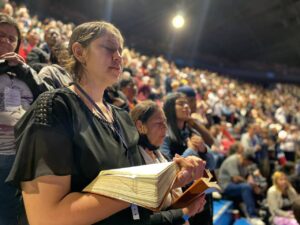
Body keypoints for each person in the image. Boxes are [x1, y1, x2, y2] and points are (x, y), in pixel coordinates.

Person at [7, 21, 206, 225]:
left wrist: (172, 174)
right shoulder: (56, 107)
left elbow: (136, 184)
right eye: (109, 48)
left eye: (121, 50)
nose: (118, 56)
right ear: (80, 52)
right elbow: (46, 218)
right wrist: (149, 185)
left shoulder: (122, 118)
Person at [131, 100, 207, 224]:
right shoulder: (132, 163)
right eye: (159, 123)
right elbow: (141, 221)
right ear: (140, 126)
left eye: (165, 122)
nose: (165, 128)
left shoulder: (161, 156)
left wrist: (193, 203)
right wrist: (186, 211)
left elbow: (172, 203)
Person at [0, 13, 40, 225]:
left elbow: (46, 97)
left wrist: (25, 71)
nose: (6, 41)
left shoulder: (25, 71)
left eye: (12, 38)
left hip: (23, 157)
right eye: (1, 35)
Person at [161, 92, 215, 225]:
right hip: (182, 195)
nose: (186, 106)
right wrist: (191, 150)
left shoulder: (192, 132)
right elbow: (167, 169)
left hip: (202, 190)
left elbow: (213, 164)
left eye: (187, 103)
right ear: (169, 108)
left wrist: (204, 150)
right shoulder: (165, 135)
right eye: (181, 103)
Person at [218, 150, 265, 225]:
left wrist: (254, 185)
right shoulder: (232, 160)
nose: (248, 165)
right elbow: (236, 178)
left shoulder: (244, 164)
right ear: (244, 159)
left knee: (255, 186)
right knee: (246, 187)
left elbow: (247, 175)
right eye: (248, 163)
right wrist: (250, 184)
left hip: (236, 185)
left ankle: (256, 209)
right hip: (226, 185)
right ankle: (252, 216)